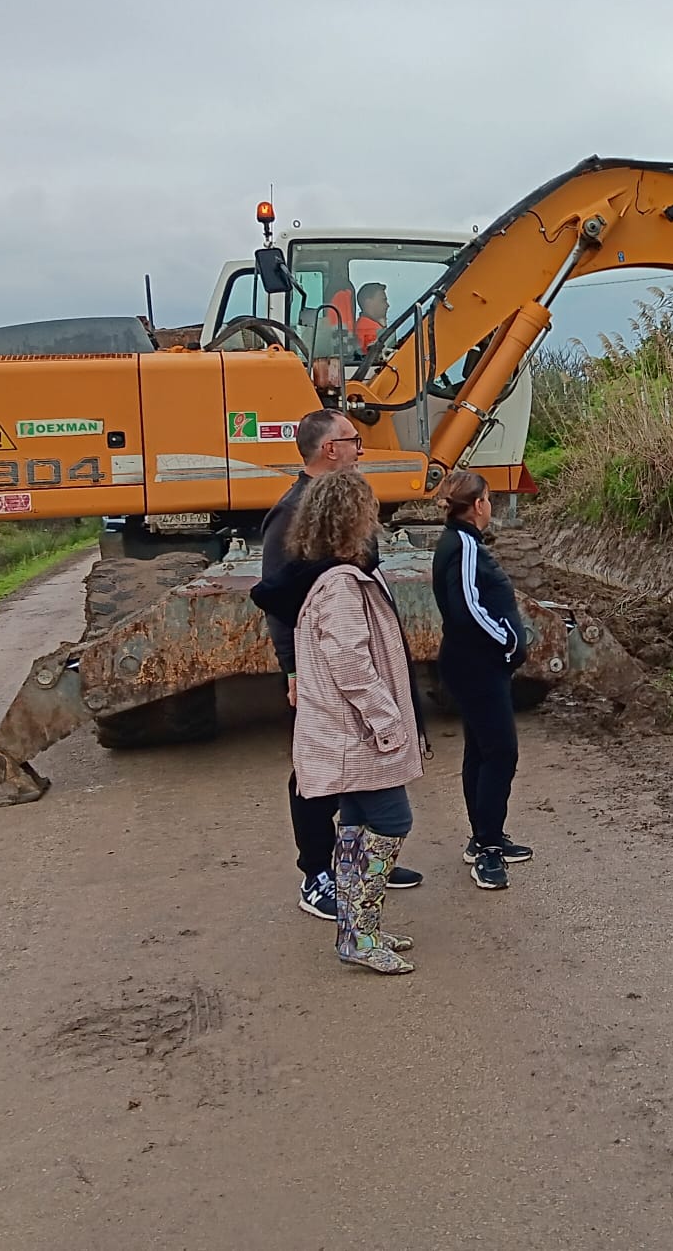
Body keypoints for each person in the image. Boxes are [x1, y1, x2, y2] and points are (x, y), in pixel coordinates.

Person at [254, 409, 423, 918]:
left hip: (341, 655)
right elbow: (282, 600)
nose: (360, 449)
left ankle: (365, 860)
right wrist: (294, 671)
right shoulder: (292, 512)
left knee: (357, 767)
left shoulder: (339, 504)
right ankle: (317, 873)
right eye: (353, 440)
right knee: (316, 771)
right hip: (321, 669)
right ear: (329, 449)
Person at [283, 469, 426, 975]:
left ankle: (356, 930)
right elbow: (352, 664)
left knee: (355, 826)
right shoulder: (342, 585)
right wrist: (387, 722)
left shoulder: (325, 577)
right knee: (392, 821)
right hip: (357, 735)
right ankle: (360, 934)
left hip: (346, 733)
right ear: (353, 519)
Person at [432, 468, 534, 890]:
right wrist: (510, 642)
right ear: (478, 506)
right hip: (478, 666)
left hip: (470, 664)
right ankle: (488, 850)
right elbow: (469, 609)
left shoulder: (459, 542)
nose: (490, 506)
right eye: (488, 499)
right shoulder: (464, 546)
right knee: (501, 753)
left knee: (480, 750)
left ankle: (483, 838)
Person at [354, 282, 389, 349]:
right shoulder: (370, 332)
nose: (387, 305)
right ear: (369, 303)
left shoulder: (366, 327)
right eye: (383, 300)